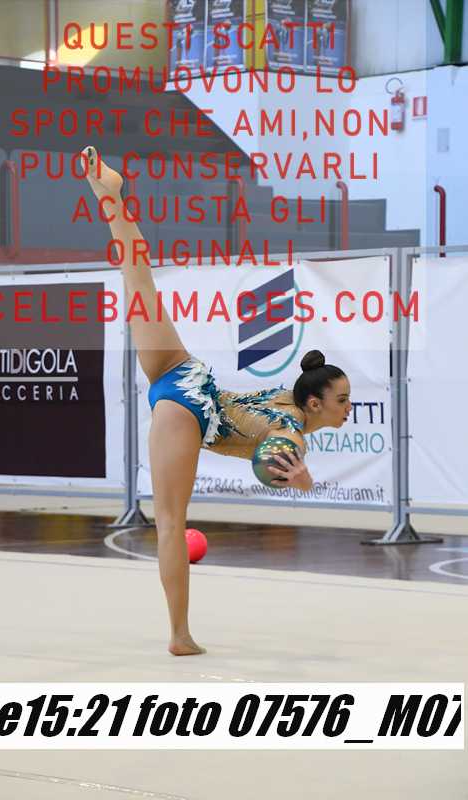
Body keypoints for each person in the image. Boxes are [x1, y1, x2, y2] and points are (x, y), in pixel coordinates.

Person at [81, 146, 352, 656]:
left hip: (182, 371)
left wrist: (296, 471)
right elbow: (282, 451)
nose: (348, 408)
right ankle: (180, 636)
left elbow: (275, 450)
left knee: (138, 280)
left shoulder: (288, 400)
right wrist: (300, 475)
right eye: (342, 400)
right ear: (315, 403)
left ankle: (110, 195)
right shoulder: (291, 426)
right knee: (170, 524)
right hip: (186, 408)